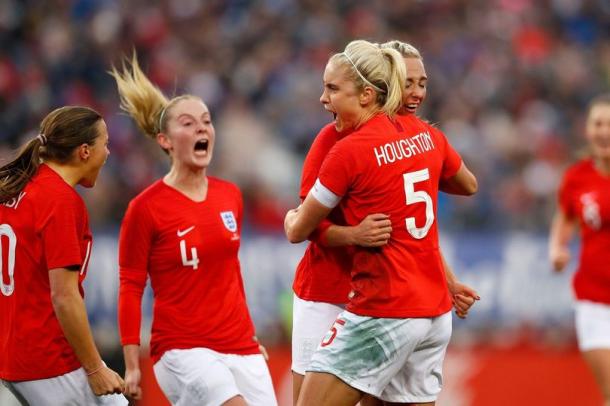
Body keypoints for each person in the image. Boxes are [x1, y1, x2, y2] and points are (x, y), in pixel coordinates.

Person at [285, 39, 477, 406]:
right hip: (332, 290)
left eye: (422, 82)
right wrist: (351, 234)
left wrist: (290, 220)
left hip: (381, 298)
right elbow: (457, 194)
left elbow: (298, 227)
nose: (416, 91)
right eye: (408, 81)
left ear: (368, 92)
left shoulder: (363, 146)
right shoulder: (417, 138)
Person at [110, 55, 277, 406]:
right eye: (188, 124)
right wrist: (131, 364)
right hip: (182, 350)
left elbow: (230, 272)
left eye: (206, 121)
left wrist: (247, 335)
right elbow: (130, 286)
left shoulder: (230, 195)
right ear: (165, 141)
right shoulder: (146, 208)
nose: (202, 128)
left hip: (241, 347)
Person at [0, 106, 127, 405]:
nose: (108, 153)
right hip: (49, 358)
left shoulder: (16, 190)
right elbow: (65, 296)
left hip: (12, 353)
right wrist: (95, 368)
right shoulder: (60, 201)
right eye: (104, 144)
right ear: (84, 151)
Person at [549, 93, 610, 405]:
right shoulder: (577, 177)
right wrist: (557, 248)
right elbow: (565, 217)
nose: (605, 131)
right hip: (595, 301)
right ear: (588, 130)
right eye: (599, 123)